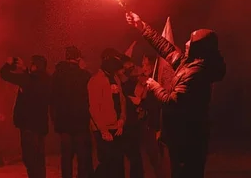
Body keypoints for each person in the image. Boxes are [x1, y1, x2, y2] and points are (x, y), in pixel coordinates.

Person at [126, 12, 226, 178]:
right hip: (182, 137)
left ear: (199, 48)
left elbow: (172, 102)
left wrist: (155, 86)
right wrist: (142, 26)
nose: (186, 44)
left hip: (188, 140)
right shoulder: (190, 64)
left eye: (191, 42)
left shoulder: (196, 74)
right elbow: (166, 48)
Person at [0, 55, 50, 178]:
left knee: (30, 159)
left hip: (28, 126)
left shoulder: (26, 79)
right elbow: (34, 78)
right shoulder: (48, 79)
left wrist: (8, 64)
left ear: (35, 66)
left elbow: (4, 75)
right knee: (39, 159)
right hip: (41, 125)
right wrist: (25, 69)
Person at [51, 46, 93, 178]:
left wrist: (55, 120)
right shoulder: (85, 76)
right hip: (81, 122)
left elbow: (53, 99)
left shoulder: (57, 75)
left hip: (63, 123)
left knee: (66, 158)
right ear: (78, 58)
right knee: (82, 158)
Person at [88, 48, 127, 178]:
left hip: (116, 127)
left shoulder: (115, 78)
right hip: (103, 129)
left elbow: (122, 101)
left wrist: (121, 120)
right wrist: (103, 130)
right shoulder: (96, 80)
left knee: (117, 163)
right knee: (107, 163)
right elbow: (94, 108)